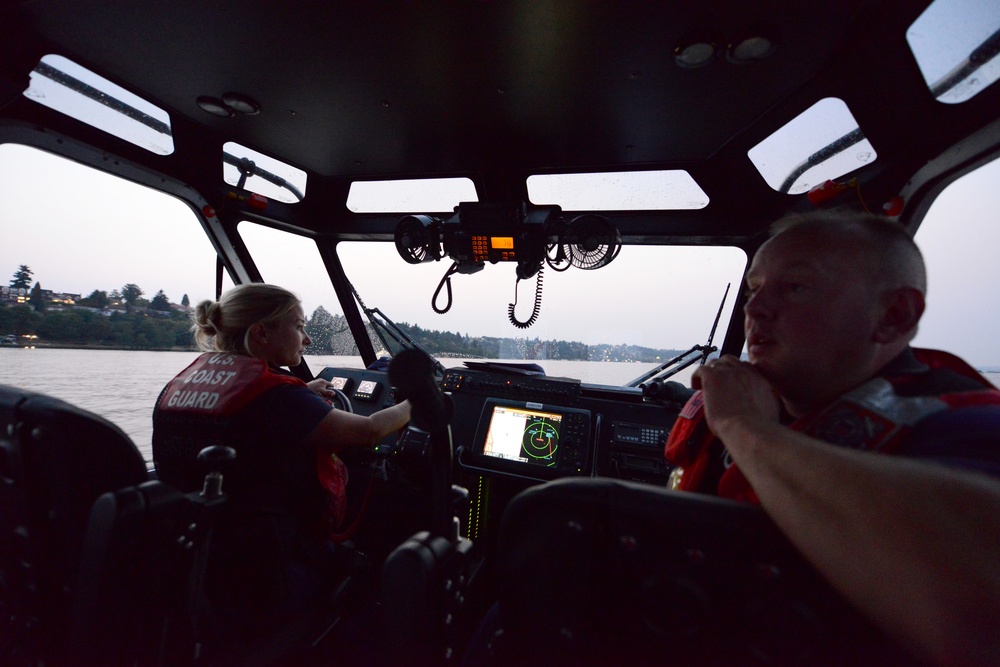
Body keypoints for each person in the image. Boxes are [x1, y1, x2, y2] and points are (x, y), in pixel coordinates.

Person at [664, 210, 1000, 666]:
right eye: (755, 289)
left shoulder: (966, 426)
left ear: (893, 317)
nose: (755, 309)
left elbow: (978, 609)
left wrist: (745, 427)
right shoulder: (755, 400)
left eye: (796, 287)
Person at [152, 283, 411, 631]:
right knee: (372, 576)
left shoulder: (182, 383)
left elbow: (245, 415)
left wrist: (301, 392)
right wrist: (421, 400)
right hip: (269, 569)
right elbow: (370, 430)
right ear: (261, 332)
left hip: (201, 559)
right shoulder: (278, 399)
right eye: (299, 326)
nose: (305, 339)